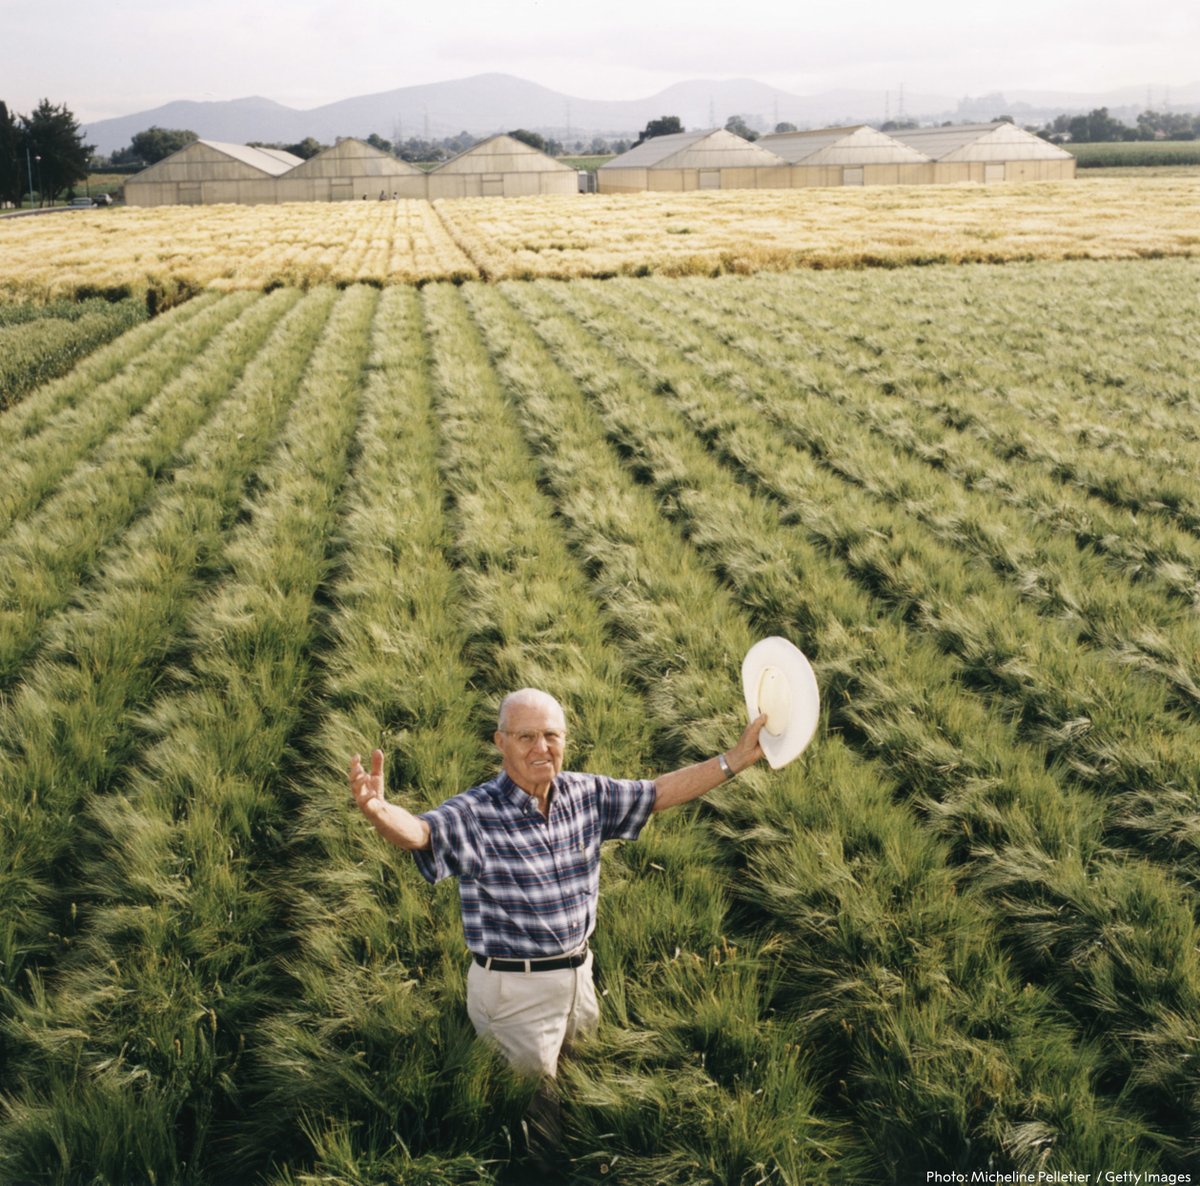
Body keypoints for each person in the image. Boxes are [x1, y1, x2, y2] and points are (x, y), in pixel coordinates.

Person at [349, 688, 767, 1081]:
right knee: (534, 1113)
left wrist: (733, 760)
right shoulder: (476, 813)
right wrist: (380, 811)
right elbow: (422, 832)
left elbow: (656, 793)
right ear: (500, 742)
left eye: (551, 735)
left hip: (579, 979)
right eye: (526, 736)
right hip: (514, 993)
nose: (541, 748)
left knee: (583, 1086)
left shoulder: (585, 794)